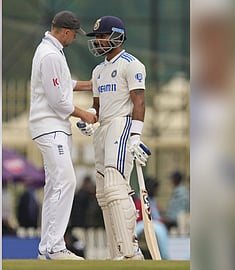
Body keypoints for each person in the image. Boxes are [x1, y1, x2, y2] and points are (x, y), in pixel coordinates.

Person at [77, 15, 151, 260]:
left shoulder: (132, 64)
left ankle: (131, 251)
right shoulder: (98, 70)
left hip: (122, 124)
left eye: (102, 36)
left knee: (115, 186)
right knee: (103, 193)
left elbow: (139, 102)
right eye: (96, 37)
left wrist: (135, 136)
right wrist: (89, 118)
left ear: (117, 36)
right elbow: (97, 107)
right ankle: (116, 253)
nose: (98, 41)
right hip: (104, 129)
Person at [29, 10, 98, 260]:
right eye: (74, 35)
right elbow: (58, 101)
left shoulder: (51, 51)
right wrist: (85, 114)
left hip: (52, 127)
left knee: (55, 186)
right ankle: (55, 247)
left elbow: (61, 84)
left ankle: (45, 248)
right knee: (66, 181)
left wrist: (88, 85)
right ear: (66, 32)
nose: (74, 39)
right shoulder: (49, 55)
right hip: (50, 126)